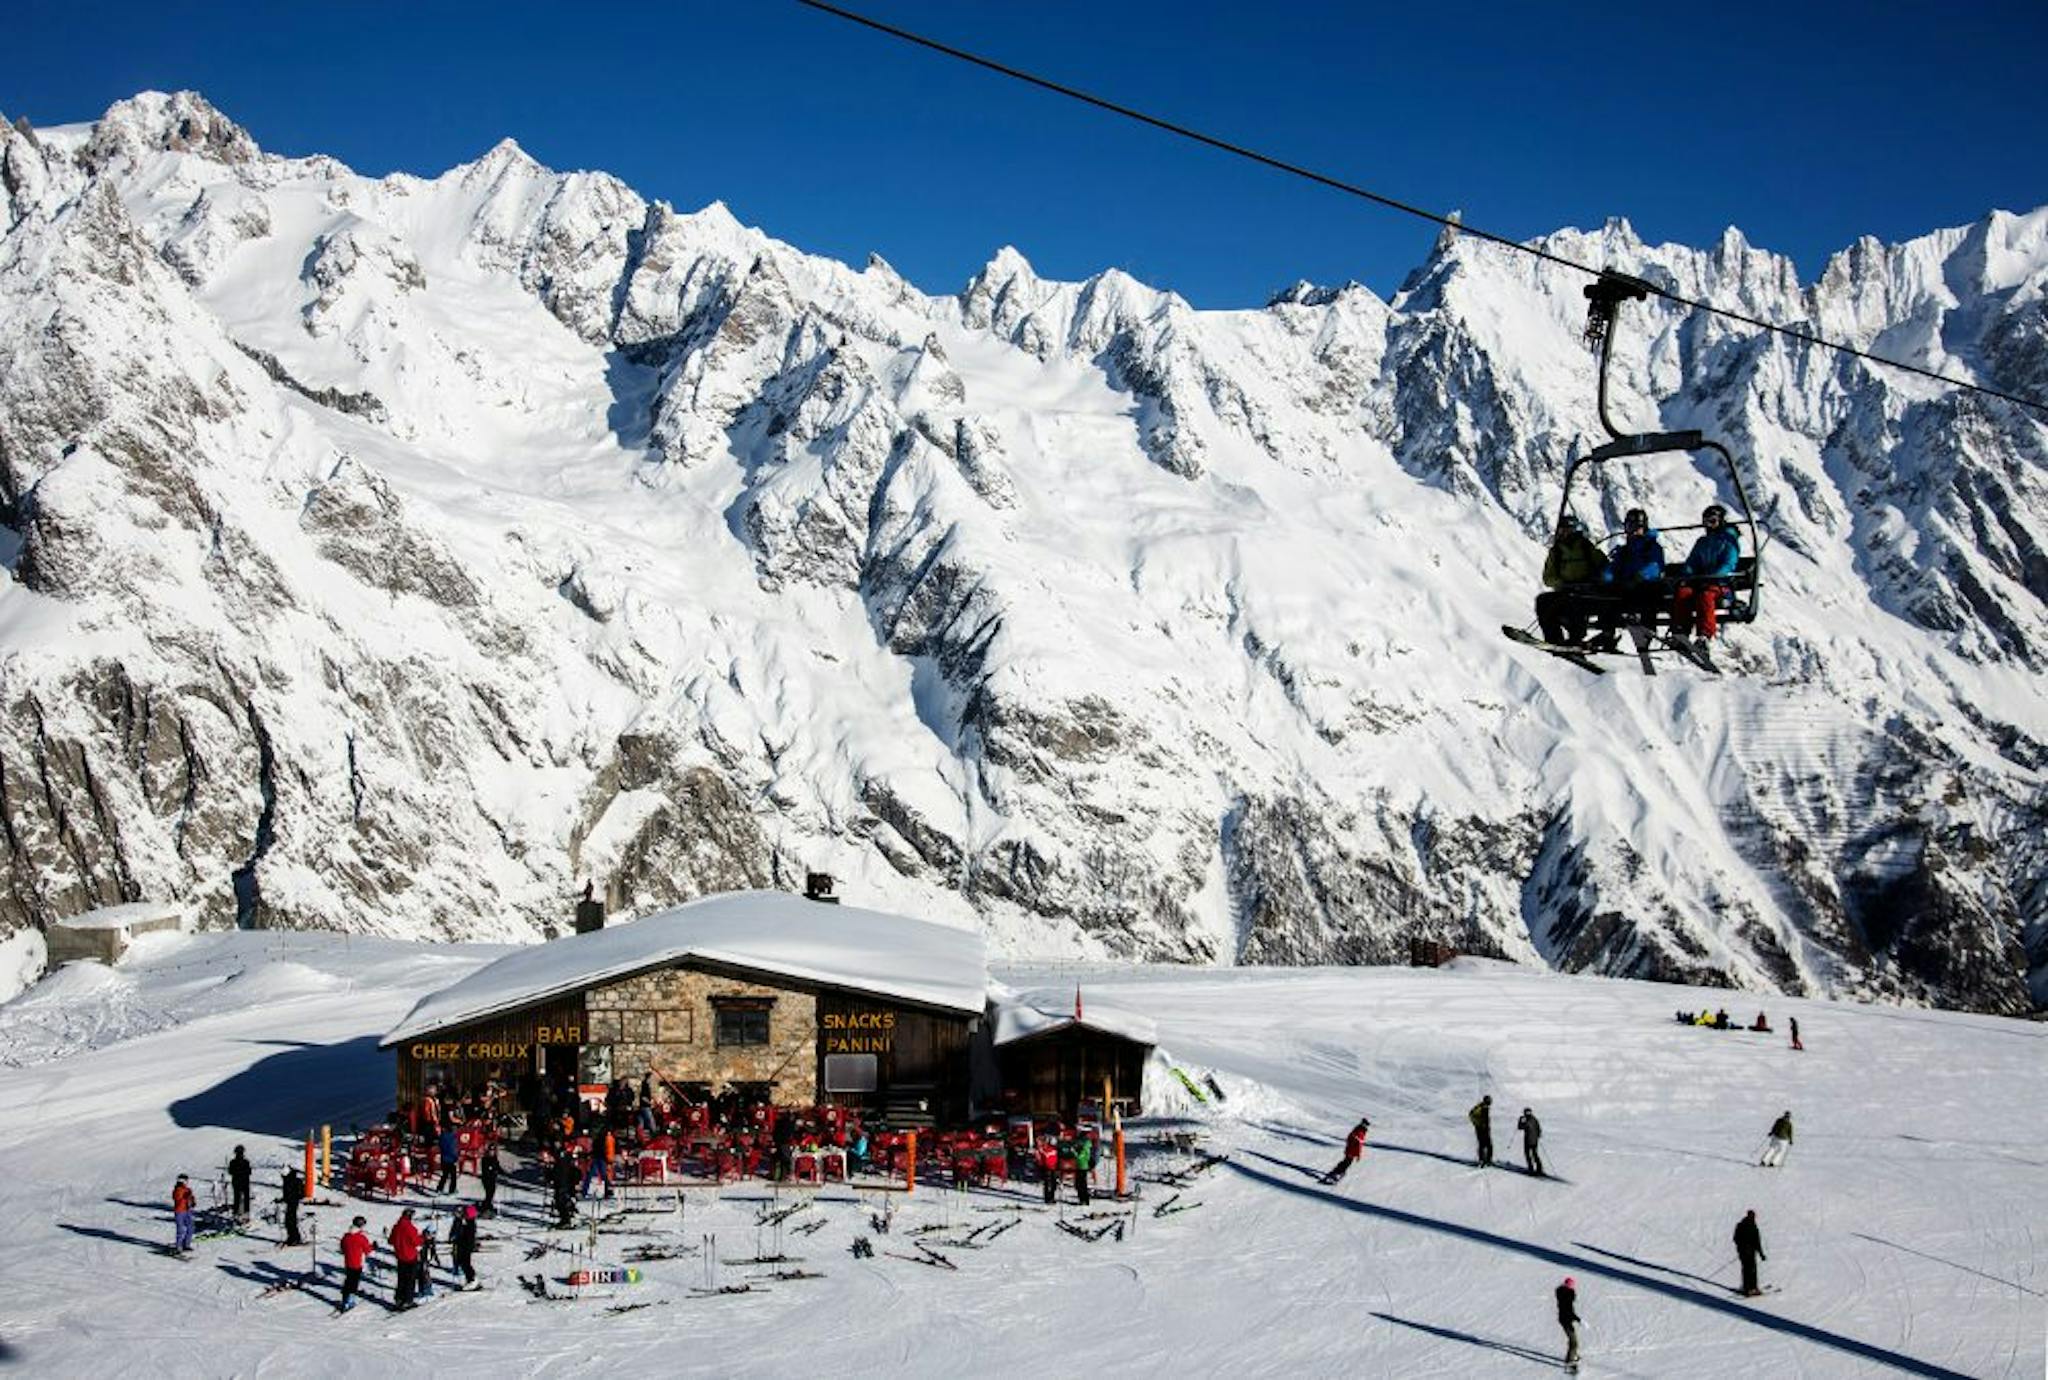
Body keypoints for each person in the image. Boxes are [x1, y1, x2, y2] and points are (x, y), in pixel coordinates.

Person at [1589, 509, 1665, 651]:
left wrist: (1640, 576)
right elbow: (1613, 567)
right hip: (1626, 587)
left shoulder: (1652, 547)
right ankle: (1608, 633)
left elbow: (1656, 566)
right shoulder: (1625, 551)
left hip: (1645, 586)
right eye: (1629, 527)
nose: (1632, 532)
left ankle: (1648, 629)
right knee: (1608, 595)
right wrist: (1606, 577)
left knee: (1647, 593)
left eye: (1636, 528)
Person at [1669, 504, 1741, 644]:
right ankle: (1681, 631)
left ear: (1721, 521)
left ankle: (1705, 635)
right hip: (1701, 582)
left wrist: (1713, 577)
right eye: (1706, 522)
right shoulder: (1703, 542)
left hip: (1721, 585)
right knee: (1683, 592)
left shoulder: (1729, 541)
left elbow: (1729, 564)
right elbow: (1692, 562)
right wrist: (1687, 575)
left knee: (1705, 596)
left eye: (1713, 521)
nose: (1709, 525)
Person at [1536, 515, 1609, 646]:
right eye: (1562, 530)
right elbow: (1548, 578)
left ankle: (1576, 639)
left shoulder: (1586, 547)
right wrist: (1562, 583)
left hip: (1588, 592)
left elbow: (1604, 566)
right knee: (1543, 601)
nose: (1564, 533)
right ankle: (1554, 639)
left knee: (1574, 602)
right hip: (1566, 590)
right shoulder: (1556, 552)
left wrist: (1594, 581)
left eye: (1567, 530)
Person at [388, 1207, 423, 1309]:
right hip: (410, 1257)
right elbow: (416, 1242)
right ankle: (408, 1301)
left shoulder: (396, 1227)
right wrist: (423, 1238)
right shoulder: (410, 1228)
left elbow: (390, 1241)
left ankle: (399, 1299)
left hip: (400, 1256)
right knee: (410, 1280)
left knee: (401, 1279)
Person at [338, 1216, 373, 1313]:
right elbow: (368, 1250)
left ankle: (345, 1300)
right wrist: (373, 1247)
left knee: (348, 1280)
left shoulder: (346, 1236)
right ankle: (350, 1301)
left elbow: (342, 1248)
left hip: (348, 1262)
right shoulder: (361, 1237)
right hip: (357, 1263)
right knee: (354, 1282)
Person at [1321, 1117, 1371, 1184]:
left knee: (1346, 1162)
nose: (1366, 1126)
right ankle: (1337, 1173)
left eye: (1367, 1125)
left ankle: (1336, 1171)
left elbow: (1359, 1144)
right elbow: (1354, 1142)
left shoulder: (1361, 1131)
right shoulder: (1359, 1131)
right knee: (1346, 1163)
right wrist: (1355, 1152)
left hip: (1352, 1151)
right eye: (1365, 1124)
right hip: (1351, 1150)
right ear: (1362, 1124)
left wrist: (1358, 1154)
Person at [1734, 1209, 1767, 1296]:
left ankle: (1749, 1288)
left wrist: (1761, 1254)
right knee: (1750, 1270)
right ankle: (1751, 1288)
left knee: (1747, 1269)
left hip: (1745, 1252)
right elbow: (1757, 1242)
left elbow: (1736, 1239)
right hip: (1748, 1252)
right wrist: (1761, 1254)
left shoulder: (1741, 1225)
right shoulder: (1751, 1227)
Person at [452, 1205, 480, 1290]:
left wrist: (459, 1239)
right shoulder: (468, 1222)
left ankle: (472, 1279)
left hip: (466, 1246)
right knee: (463, 1262)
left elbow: (466, 1236)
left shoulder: (470, 1224)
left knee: (465, 1263)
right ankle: (470, 1279)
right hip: (464, 1245)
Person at [1556, 1276, 1581, 1371]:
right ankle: (1570, 1361)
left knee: (1573, 1339)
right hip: (1566, 1320)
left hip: (1565, 1319)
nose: (1572, 1287)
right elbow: (1569, 1312)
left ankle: (1573, 1355)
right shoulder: (1567, 1298)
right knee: (1574, 1342)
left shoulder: (1563, 1294)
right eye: (1571, 1286)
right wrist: (1579, 1320)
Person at [552, 1150, 579, 1228]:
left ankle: (566, 1220)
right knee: (561, 1201)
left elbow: (574, 1173)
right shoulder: (563, 1163)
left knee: (561, 1202)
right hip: (563, 1184)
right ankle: (565, 1218)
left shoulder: (562, 1163)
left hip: (563, 1184)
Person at [171, 1174, 197, 1255]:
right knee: (180, 1229)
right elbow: (177, 1197)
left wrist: (193, 1202)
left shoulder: (188, 1189)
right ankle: (178, 1246)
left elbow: (191, 1198)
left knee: (191, 1227)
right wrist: (185, 1196)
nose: (187, 1182)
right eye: (185, 1181)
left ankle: (186, 1244)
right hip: (179, 1211)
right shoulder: (177, 1189)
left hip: (187, 1211)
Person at [279, 1166, 305, 1246]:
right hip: (290, 1202)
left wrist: (292, 1197)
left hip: (293, 1202)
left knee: (291, 1220)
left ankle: (294, 1238)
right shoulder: (287, 1181)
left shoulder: (293, 1181)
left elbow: (299, 1193)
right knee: (289, 1220)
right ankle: (292, 1237)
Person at [227, 1146, 254, 1222]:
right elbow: (249, 1172)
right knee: (245, 1198)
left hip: (237, 1182)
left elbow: (230, 1172)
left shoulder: (233, 1162)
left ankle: (237, 1214)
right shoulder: (246, 1162)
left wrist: (237, 1172)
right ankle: (245, 1214)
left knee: (237, 1198)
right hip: (244, 1182)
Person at [1517, 1107, 1545, 1177]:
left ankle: (1531, 1169)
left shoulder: (1527, 1120)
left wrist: (1521, 1121)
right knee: (1534, 1154)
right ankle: (1539, 1168)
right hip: (1534, 1140)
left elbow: (1520, 1127)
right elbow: (1538, 1128)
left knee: (1529, 1155)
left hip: (1528, 1140)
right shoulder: (1534, 1119)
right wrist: (1538, 1135)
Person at [1470, 1095, 1495, 1167]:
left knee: (1488, 1145)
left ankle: (1487, 1160)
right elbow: (1471, 1115)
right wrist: (1478, 1124)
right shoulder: (1480, 1107)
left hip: (1485, 1129)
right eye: (1489, 1101)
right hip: (1480, 1129)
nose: (1490, 1103)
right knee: (1483, 1145)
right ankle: (1482, 1160)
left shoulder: (1485, 1107)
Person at [1036, 1135, 1061, 1206]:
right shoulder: (1043, 1148)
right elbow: (1039, 1157)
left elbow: (1057, 1158)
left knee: (1054, 1184)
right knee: (1047, 1184)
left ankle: (1052, 1197)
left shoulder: (1055, 1149)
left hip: (1054, 1168)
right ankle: (1047, 1198)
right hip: (1046, 1168)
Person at [417, 1224, 440, 1300]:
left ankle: (426, 1290)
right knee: (423, 1275)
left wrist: (436, 1259)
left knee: (426, 1275)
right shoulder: (421, 1239)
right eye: (430, 1234)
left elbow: (433, 1250)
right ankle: (424, 1291)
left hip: (426, 1260)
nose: (431, 1236)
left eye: (433, 1234)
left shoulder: (431, 1240)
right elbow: (418, 1251)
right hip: (421, 1260)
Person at [436, 1123, 460, 1195]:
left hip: (443, 1158)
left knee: (445, 1175)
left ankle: (439, 1188)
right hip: (451, 1159)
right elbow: (453, 1149)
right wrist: (456, 1157)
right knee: (453, 1176)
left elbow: (440, 1146)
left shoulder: (442, 1136)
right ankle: (452, 1190)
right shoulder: (453, 1138)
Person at [478, 1144, 501, 1217]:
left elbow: (497, 1167)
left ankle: (487, 1206)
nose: (492, 1152)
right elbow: (485, 1170)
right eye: (490, 1151)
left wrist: (501, 1172)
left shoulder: (495, 1158)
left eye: (493, 1151)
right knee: (489, 1194)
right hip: (486, 1179)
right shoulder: (485, 1159)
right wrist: (491, 1170)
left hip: (493, 1179)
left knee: (491, 1194)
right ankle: (485, 1208)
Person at [1072, 1132, 1095, 1206]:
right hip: (1081, 1166)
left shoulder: (1085, 1146)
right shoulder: (1086, 1145)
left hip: (1082, 1166)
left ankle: (1084, 1199)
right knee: (1080, 1183)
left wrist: (1074, 1152)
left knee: (1081, 1184)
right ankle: (1083, 1199)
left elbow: (1080, 1156)